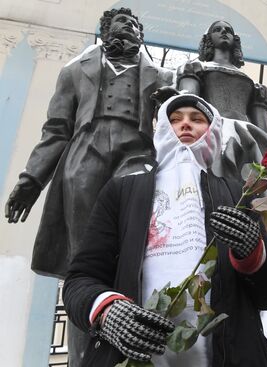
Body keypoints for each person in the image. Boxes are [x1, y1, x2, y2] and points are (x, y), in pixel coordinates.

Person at [62, 93, 267, 366]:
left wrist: (252, 253)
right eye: (175, 120)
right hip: (133, 357)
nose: (185, 125)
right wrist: (109, 312)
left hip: (231, 355)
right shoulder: (121, 191)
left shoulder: (238, 194)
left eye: (197, 119)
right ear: (163, 129)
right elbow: (80, 279)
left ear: (213, 129)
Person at [4, 7, 173, 366]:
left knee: (134, 249)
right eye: (119, 23)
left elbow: (177, 129)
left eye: (134, 25)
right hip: (85, 155)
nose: (127, 28)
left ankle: (136, 343)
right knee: (84, 264)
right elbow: (55, 131)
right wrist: (31, 179)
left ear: (141, 35)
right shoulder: (74, 72)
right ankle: (84, 358)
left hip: (137, 154)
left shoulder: (162, 77)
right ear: (105, 30)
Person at [176, 20, 267, 133]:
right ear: (209, 39)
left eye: (228, 31)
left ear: (234, 39)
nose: (223, 31)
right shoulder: (195, 69)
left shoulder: (256, 87)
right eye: (217, 30)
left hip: (245, 137)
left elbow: (263, 133)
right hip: (211, 134)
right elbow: (187, 103)